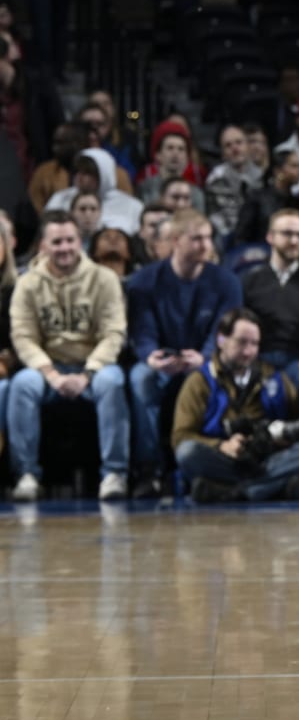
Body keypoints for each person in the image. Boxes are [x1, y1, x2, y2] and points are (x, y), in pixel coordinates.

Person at [7, 212, 131, 502]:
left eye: (70, 240)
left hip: (94, 367)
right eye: (57, 241)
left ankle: (114, 474)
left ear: (81, 242)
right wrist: (51, 375)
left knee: (113, 383)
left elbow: (114, 334)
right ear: (44, 245)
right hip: (48, 368)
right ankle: (27, 475)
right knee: (22, 385)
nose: (64, 247)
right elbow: (23, 337)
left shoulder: (105, 279)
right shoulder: (28, 284)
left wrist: (87, 374)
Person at [125, 210, 244, 491]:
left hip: (208, 358)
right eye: (197, 239)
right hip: (162, 359)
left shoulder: (226, 282)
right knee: (141, 378)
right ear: (176, 240)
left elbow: (224, 330)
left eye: (208, 239)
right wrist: (151, 356)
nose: (206, 246)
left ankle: (204, 465)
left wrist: (204, 356)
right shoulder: (144, 281)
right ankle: (149, 469)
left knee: (215, 374)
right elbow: (142, 331)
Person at [170, 308, 299, 503]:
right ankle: (272, 488)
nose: (248, 351)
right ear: (221, 340)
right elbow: (181, 436)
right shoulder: (199, 382)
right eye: (241, 342)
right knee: (187, 453)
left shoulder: (273, 377)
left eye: (254, 344)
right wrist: (222, 446)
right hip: (226, 460)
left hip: (266, 459)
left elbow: (298, 424)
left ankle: (236, 492)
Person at [239, 209, 299, 398]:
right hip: (255, 357)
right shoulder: (248, 281)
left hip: (297, 359)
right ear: (270, 237)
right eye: (287, 234)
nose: (294, 241)